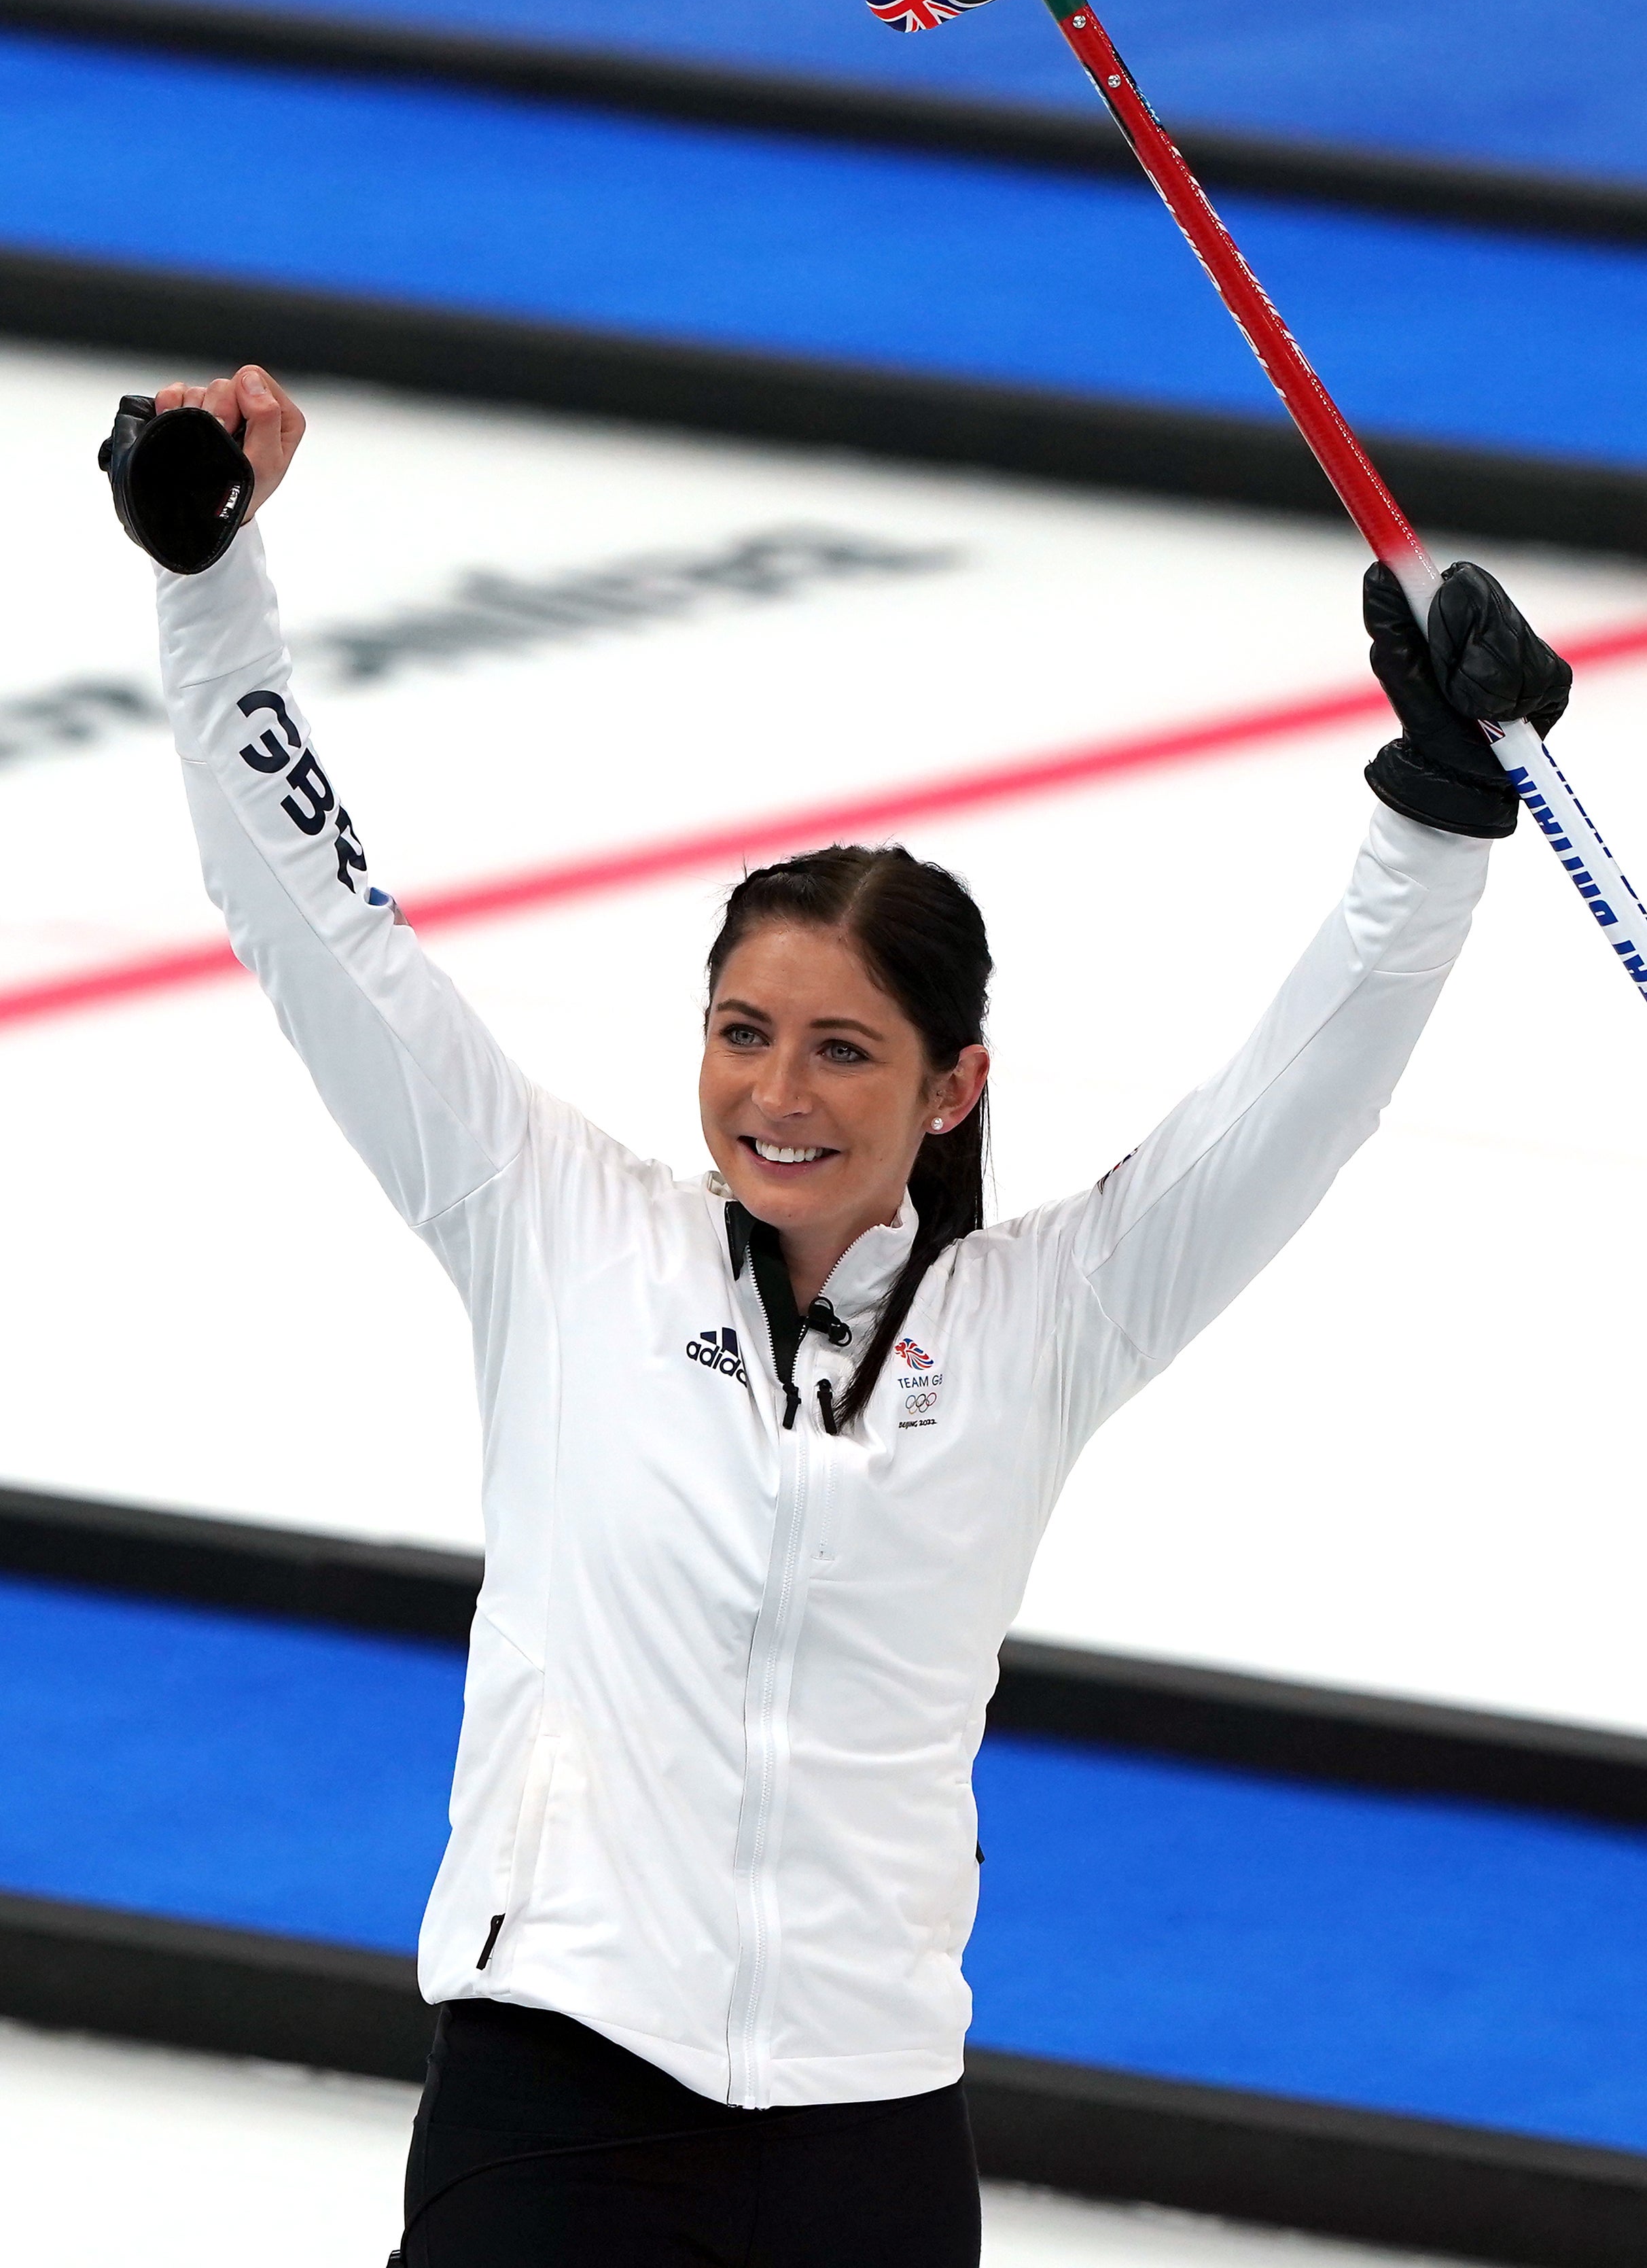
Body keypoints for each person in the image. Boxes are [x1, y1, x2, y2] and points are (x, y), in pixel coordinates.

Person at [144, 365, 1568, 2268]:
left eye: (839, 1049)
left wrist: (1434, 823)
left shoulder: (1044, 1318)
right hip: (559, 2086)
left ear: (951, 1089)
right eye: (743, 1035)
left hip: (868, 2132)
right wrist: (207, 585)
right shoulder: (558, 1233)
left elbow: (1284, 1110)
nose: (777, 1094)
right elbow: (321, 924)